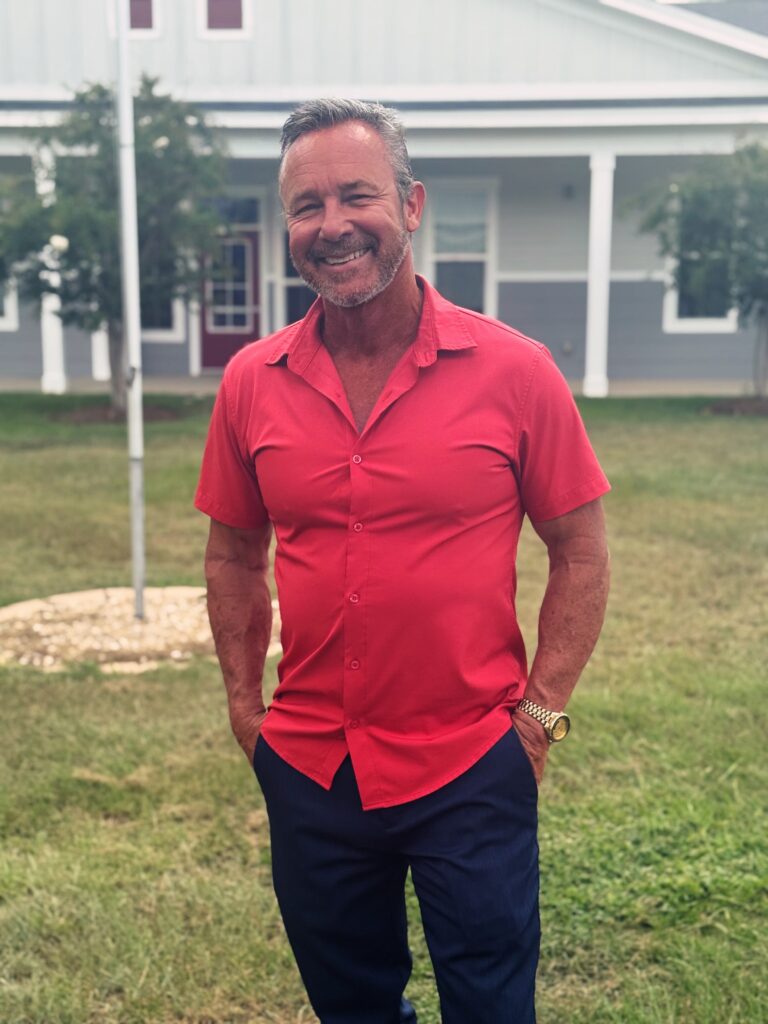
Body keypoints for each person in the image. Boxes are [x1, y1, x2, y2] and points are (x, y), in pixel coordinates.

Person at [195, 97, 610, 1024]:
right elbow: (232, 554)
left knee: (491, 1006)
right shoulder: (251, 382)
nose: (333, 224)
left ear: (411, 205)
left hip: (473, 763)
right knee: (351, 1008)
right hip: (310, 767)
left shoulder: (515, 371)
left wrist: (540, 719)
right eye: (307, 206)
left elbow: (580, 551)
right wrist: (245, 712)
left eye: (358, 195)